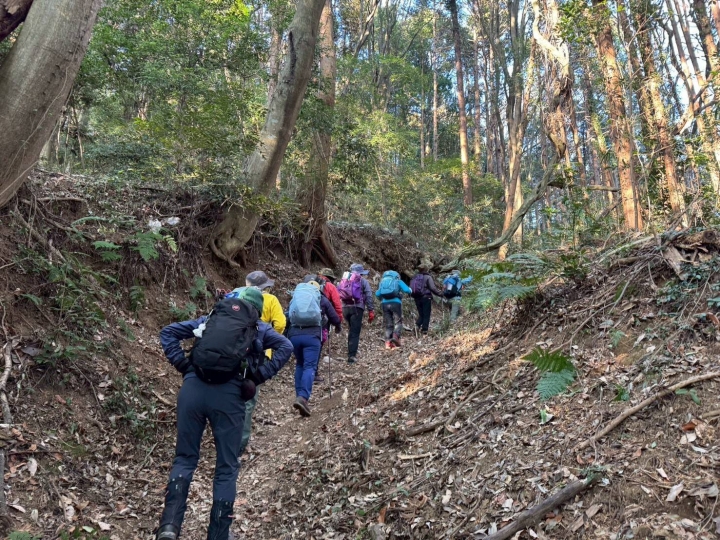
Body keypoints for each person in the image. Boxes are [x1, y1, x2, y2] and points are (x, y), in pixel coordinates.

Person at [155, 287, 293, 540]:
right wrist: (258, 376)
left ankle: (169, 526)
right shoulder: (259, 328)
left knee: (184, 458)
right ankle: (218, 535)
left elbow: (168, 332)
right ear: (258, 310)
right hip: (229, 397)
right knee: (226, 467)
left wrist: (184, 365)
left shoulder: (210, 320)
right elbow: (286, 346)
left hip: (192, 390)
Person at [234, 271, 286, 458]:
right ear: (264, 287)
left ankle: (224, 438)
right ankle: (239, 443)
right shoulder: (270, 299)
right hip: (256, 355)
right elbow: (280, 324)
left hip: (230, 352)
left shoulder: (235, 295)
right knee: (248, 398)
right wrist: (268, 338)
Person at [287, 280, 341, 417]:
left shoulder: (296, 297)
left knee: (300, 364)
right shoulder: (321, 298)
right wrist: (338, 325)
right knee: (309, 366)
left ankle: (299, 396)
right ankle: (303, 398)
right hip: (312, 336)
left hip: (294, 335)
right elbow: (334, 317)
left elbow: (288, 315)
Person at [337, 263, 375, 364]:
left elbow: (338, 292)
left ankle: (351, 351)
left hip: (345, 308)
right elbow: (369, 295)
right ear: (360, 273)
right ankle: (351, 356)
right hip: (357, 308)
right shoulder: (362, 281)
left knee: (351, 330)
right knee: (354, 332)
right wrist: (371, 310)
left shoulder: (344, 279)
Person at [375, 270, 412, 349]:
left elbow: (377, 294)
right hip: (396, 303)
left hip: (385, 304)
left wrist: (382, 299)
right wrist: (410, 290)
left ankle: (388, 343)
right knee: (398, 322)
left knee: (389, 324)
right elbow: (406, 290)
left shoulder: (382, 282)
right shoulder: (398, 281)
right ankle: (396, 337)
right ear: (396, 275)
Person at [410, 262, 443, 335]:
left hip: (416, 298)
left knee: (421, 314)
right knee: (426, 314)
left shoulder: (414, 277)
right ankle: (424, 330)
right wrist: (440, 294)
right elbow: (432, 288)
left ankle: (417, 326)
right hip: (426, 297)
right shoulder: (428, 277)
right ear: (426, 269)